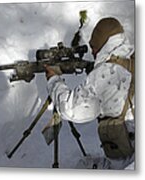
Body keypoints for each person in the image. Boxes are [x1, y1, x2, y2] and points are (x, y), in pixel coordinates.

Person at [44, 17, 135, 169]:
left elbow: (71, 109)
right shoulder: (132, 59)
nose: (92, 51)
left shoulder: (105, 73)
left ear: (104, 43)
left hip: (127, 163)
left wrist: (54, 81)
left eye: (94, 47)